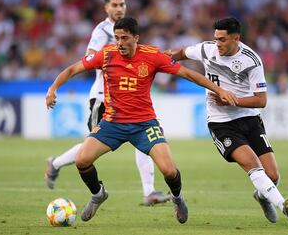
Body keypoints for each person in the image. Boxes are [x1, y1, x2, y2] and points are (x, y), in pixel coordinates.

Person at [45, 17, 238, 223]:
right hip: (113, 123)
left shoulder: (152, 55)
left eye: (125, 38)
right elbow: (73, 69)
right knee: (82, 160)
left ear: (136, 38)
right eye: (117, 38)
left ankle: (177, 197)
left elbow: (187, 74)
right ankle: (98, 194)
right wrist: (53, 88)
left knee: (170, 171)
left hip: (144, 124)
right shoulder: (106, 54)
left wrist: (219, 89)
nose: (120, 43)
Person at [167, 17, 288, 223]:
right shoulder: (207, 49)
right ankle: (284, 205)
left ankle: (262, 196)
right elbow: (183, 52)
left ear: (236, 38)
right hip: (221, 123)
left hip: (250, 119)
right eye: (216, 38)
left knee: (272, 176)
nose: (217, 44)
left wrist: (232, 101)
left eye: (222, 40)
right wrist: (163, 57)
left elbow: (261, 100)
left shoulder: (251, 60)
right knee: (253, 165)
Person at [44, 0, 170, 206]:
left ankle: (149, 192)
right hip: (103, 97)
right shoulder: (102, 31)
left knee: (145, 141)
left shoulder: (126, 29)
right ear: (106, 8)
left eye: (122, 4)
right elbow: (89, 56)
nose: (119, 8)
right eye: (115, 5)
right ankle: (56, 164)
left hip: (127, 94)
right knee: (89, 147)